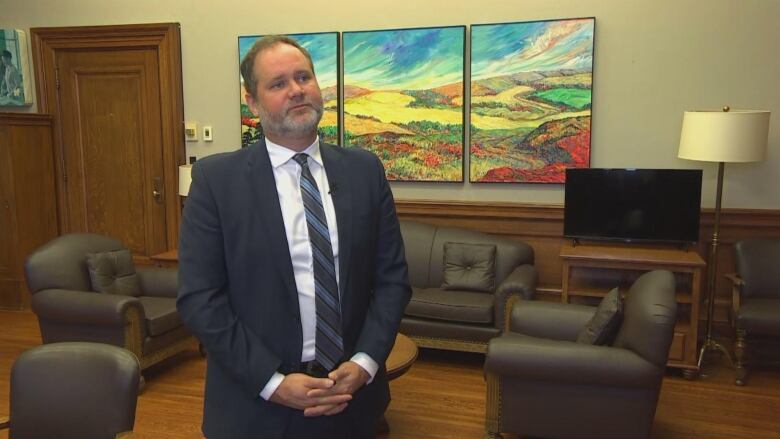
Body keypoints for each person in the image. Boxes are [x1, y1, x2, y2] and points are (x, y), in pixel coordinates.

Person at [177, 35, 412, 439]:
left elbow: (392, 280)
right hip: (254, 407)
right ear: (252, 102)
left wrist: (366, 362)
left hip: (350, 401)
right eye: (278, 83)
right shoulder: (216, 182)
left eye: (304, 76)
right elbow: (200, 299)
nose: (296, 89)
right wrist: (272, 383)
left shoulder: (364, 171)